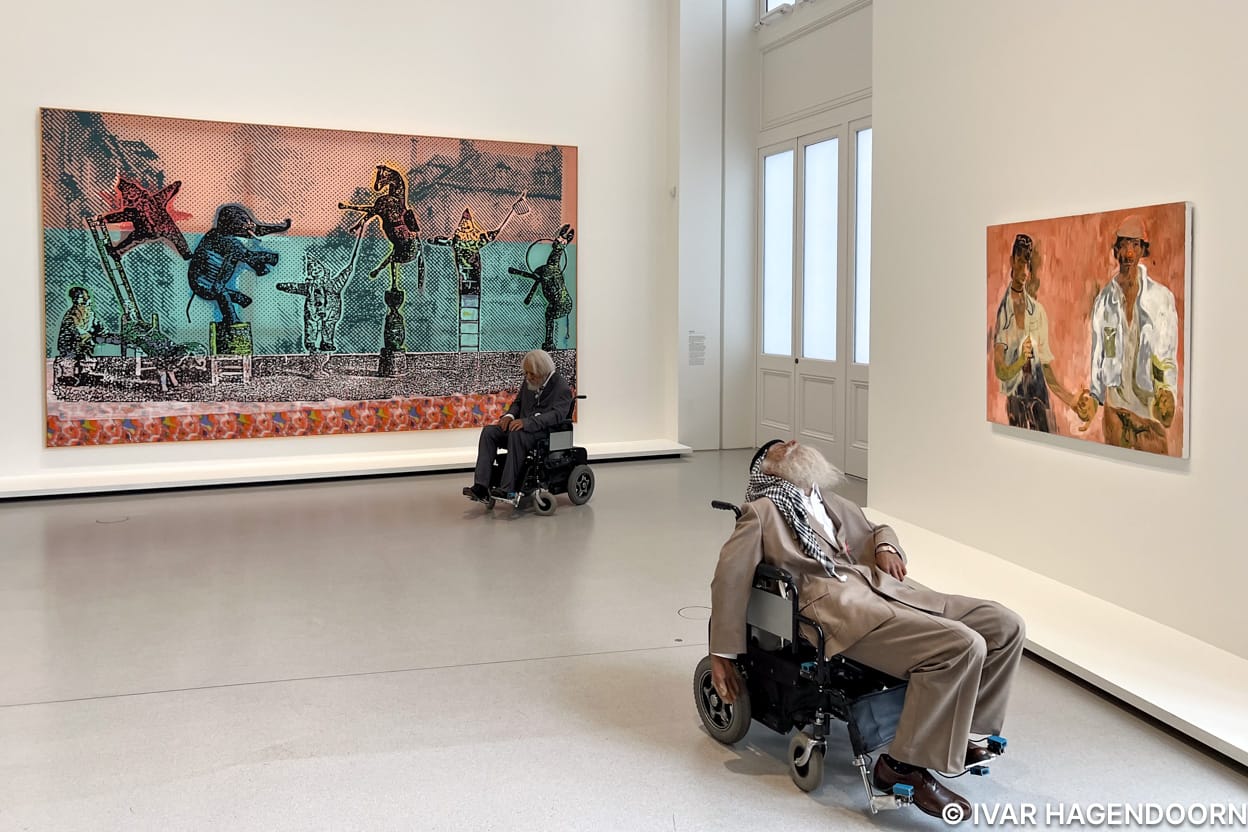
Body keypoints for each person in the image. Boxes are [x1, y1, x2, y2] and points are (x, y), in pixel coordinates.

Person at [708, 440, 1025, 820]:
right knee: (963, 645)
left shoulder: (832, 504)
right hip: (840, 611)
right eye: (777, 449)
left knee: (1005, 625)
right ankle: (900, 767)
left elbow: (878, 529)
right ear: (767, 469)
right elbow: (730, 577)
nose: (789, 443)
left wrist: (886, 547)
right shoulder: (762, 512)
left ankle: (960, 735)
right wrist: (721, 653)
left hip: (881, 589)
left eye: (792, 441)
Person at [1073, 217, 1179, 454]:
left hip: (1149, 418)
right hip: (1115, 416)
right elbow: (1098, 357)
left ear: (1142, 250)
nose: (1128, 253)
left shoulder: (1161, 299)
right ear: (1116, 251)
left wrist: (1167, 392)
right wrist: (1093, 399)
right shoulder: (1104, 301)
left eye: (1134, 245)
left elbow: (1168, 358)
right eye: (1123, 245)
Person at [991, 233, 1078, 431]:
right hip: (1016, 401)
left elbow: (1047, 370)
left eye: (1027, 264)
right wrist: (1021, 361)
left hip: (1040, 398)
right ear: (1012, 261)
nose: (1024, 271)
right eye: (1020, 262)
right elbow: (1000, 370)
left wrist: (1071, 401)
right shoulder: (1004, 314)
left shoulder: (1037, 312)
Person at [464, 349, 573, 501]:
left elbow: (557, 415)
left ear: (542, 371)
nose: (528, 377)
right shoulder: (531, 380)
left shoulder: (561, 386)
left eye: (531, 374)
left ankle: (507, 489)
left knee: (517, 435)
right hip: (522, 429)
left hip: (543, 433)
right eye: (526, 373)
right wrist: (509, 416)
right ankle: (481, 486)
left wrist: (526, 422)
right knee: (489, 432)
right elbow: (518, 403)